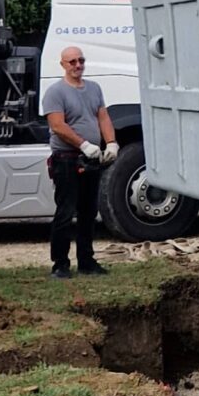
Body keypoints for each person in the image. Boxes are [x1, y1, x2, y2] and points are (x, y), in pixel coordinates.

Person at [42, 45, 117, 278]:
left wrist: (111, 142)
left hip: (90, 160)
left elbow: (102, 117)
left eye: (81, 61)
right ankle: (60, 265)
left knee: (88, 211)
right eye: (72, 61)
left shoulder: (94, 89)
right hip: (66, 160)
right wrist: (83, 144)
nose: (78, 65)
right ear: (63, 64)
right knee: (65, 211)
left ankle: (86, 261)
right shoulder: (55, 92)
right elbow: (57, 125)